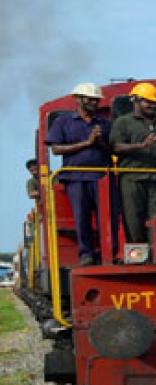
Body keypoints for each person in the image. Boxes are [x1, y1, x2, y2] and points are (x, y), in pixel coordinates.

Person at [45, 83, 114, 265]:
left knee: (106, 219)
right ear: (78, 99)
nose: (93, 102)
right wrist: (87, 143)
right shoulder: (63, 122)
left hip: (102, 178)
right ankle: (86, 254)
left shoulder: (105, 125)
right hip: (75, 178)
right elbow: (56, 149)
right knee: (81, 217)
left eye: (96, 99)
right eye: (89, 98)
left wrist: (100, 142)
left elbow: (113, 149)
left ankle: (107, 254)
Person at [110, 82, 156, 244]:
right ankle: (138, 253)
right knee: (133, 218)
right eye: (148, 101)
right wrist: (141, 146)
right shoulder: (123, 122)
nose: (152, 105)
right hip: (132, 178)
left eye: (155, 102)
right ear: (135, 100)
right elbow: (115, 147)